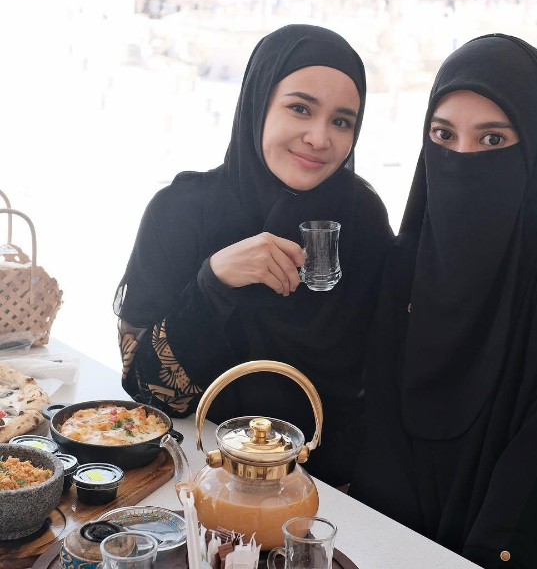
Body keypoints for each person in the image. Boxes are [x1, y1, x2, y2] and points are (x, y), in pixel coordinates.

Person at [350, 34, 537, 568]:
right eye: (443, 135)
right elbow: (383, 419)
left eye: (492, 141)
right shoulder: (412, 256)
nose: (460, 159)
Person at [114, 25, 393, 486]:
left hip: (332, 492)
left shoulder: (361, 218)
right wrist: (212, 284)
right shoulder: (181, 211)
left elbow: (384, 373)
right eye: (300, 108)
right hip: (198, 474)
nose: (319, 138)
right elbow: (147, 393)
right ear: (257, 102)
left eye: (342, 121)